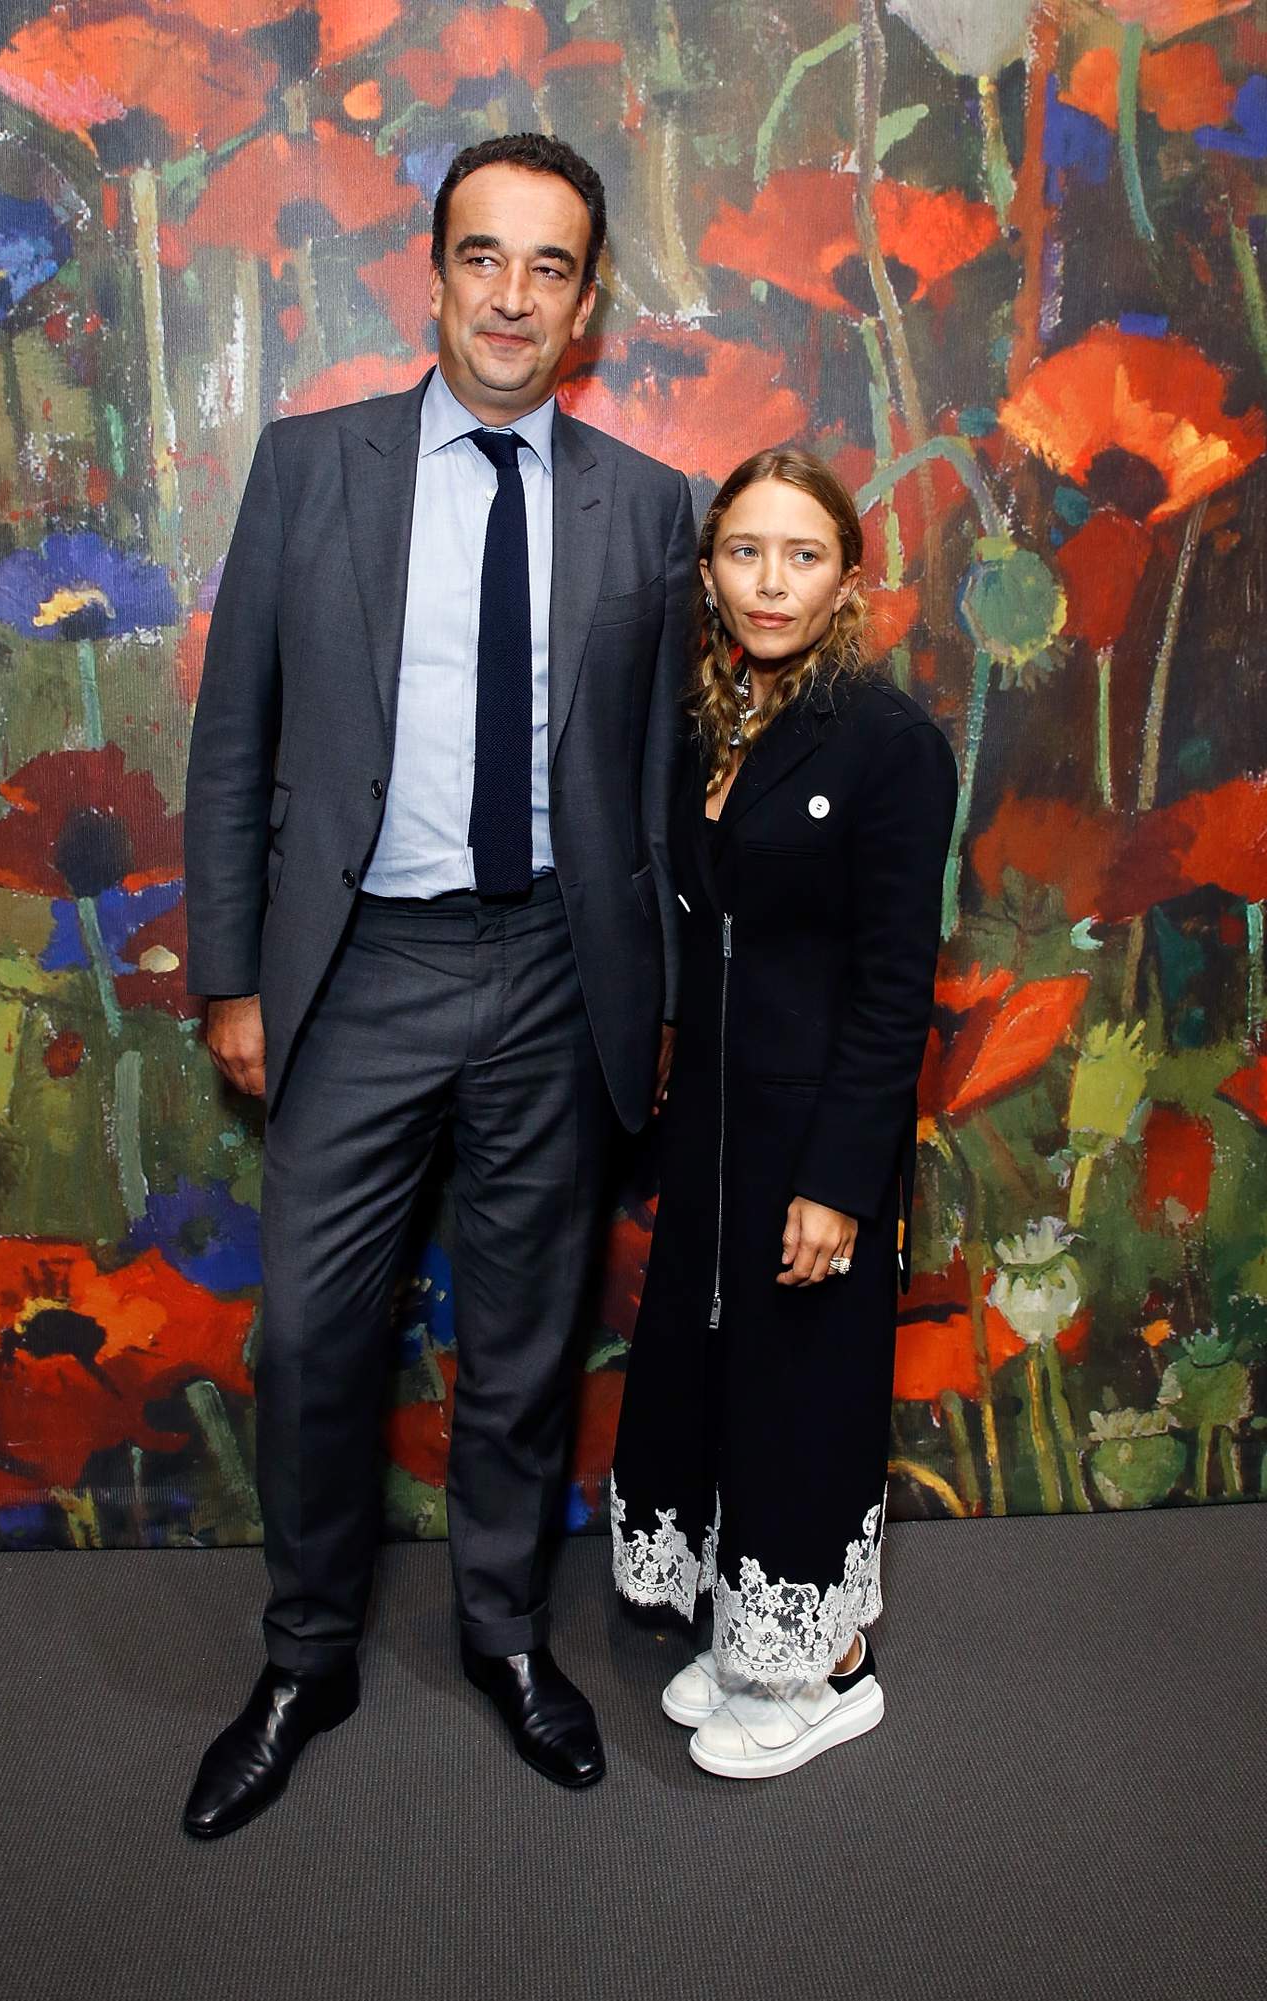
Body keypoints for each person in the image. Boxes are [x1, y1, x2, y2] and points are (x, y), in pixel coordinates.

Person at [181, 133, 694, 1838]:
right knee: (311, 1336)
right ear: (434, 273)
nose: (513, 297)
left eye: (551, 268)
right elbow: (234, 740)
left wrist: (654, 998)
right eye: (486, 256)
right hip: (359, 972)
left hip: (556, 971)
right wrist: (234, 977)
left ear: (589, 301)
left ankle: (503, 1632)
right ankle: (305, 1655)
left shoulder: (646, 504)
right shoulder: (308, 466)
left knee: (527, 1341)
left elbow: (652, 780)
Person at [610, 449, 957, 1780]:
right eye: (745, 552)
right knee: (724, 1385)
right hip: (714, 1129)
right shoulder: (711, 723)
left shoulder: (889, 744)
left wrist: (840, 1179)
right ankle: (764, 1632)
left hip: (816, 1135)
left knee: (806, 1397)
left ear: (847, 578)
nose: (771, 582)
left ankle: (831, 1669)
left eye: (802, 555)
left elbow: (895, 987)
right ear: (709, 572)